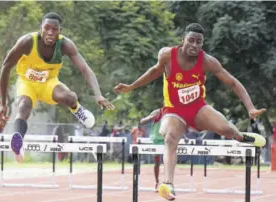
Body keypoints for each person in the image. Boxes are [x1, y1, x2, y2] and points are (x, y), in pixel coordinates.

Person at [114, 23, 266, 200]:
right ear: (183, 40)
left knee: (225, 128)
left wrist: (250, 107)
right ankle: (168, 184)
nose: (195, 45)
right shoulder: (167, 55)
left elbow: (232, 82)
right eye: (191, 40)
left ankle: (241, 137)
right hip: (174, 111)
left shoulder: (207, 61)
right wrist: (132, 86)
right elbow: (154, 71)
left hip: (198, 108)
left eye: (199, 42)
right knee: (170, 137)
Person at [0, 12, 114, 162]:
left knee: (70, 97)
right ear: (41, 29)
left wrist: (97, 94)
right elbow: (5, 66)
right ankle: (18, 141)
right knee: (24, 105)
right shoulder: (27, 42)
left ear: (60, 31)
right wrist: (3, 103)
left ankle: (77, 109)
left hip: (48, 83)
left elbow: (85, 69)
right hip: (27, 82)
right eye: (47, 28)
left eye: (55, 29)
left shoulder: (65, 45)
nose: (50, 32)